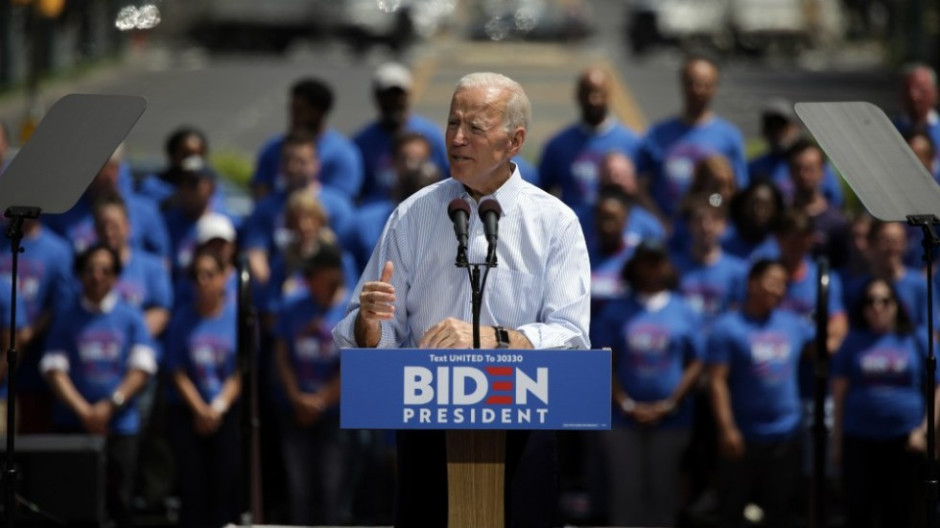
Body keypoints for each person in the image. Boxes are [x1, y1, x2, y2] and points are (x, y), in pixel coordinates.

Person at [332, 71, 591, 527]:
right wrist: (369, 326)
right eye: (453, 123)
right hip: (426, 428)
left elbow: (572, 337)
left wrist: (498, 339)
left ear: (515, 141)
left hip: (523, 428)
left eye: (475, 127)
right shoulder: (413, 215)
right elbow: (366, 331)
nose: (456, 137)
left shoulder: (556, 222)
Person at [40, 243, 158, 526]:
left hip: (120, 426)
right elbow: (54, 368)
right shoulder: (67, 317)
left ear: (116, 276)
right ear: (80, 274)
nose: (97, 276)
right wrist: (85, 412)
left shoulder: (131, 317)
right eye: (91, 269)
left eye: (105, 270)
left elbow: (142, 368)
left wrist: (110, 405)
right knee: (73, 505)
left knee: (120, 503)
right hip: (73, 425)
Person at [593, 242, 704, 527]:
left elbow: (696, 361)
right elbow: (603, 361)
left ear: (667, 266)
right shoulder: (617, 310)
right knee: (625, 496)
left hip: (671, 420)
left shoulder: (684, 310)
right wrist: (625, 403)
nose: (653, 269)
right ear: (635, 266)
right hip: (621, 420)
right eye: (646, 262)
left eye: (658, 262)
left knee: (664, 498)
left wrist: (670, 403)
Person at [706, 259, 814, 528]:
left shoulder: (793, 325)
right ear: (752, 283)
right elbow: (716, 381)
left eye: (783, 285)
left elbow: (826, 341)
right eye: (772, 282)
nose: (778, 290)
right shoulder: (727, 328)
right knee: (732, 512)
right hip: (742, 437)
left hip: (785, 437)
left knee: (780, 513)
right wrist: (727, 428)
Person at [832, 277, 935, 528]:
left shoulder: (916, 338)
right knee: (859, 512)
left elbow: (937, 388)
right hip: (860, 439)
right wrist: (836, 442)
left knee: (900, 513)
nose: (878, 307)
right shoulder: (852, 341)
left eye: (885, 300)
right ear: (862, 307)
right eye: (870, 301)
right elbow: (839, 394)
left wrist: (924, 431)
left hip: (906, 439)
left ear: (897, 304)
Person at [164, 245, 241, 528]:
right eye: (197, 275)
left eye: (209, 274)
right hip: (188, 413)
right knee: (192, 488)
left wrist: (217, 407)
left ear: (223, 277)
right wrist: (200, 409)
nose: (202, 281)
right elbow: (176, 369)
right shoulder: (182, 319)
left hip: (226, 412)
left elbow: (242, 371)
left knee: (225, 486)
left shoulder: (238, 317)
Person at [274, 244, 349, 525]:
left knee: (331, 491)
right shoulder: (293, 305)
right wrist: (296, 397)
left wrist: (322, 399)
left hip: (334, 414)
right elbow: (281, 355)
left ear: (331, 275)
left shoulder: (351, 309)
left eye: (314, 273)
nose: (308, 279)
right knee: (298, 490)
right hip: (295, 410)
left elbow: (354, 364)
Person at [636, 55, 747, 223]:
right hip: (667, 232)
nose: (698, 90)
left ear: (715, 88)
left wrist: (712, 207)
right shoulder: (657, 134)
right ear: (682, 85)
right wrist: (660, 222)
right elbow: (641, 188)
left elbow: (737, 192)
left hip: (708, 231)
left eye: (705, 85)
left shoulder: (729, 136)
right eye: (692, 83)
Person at [242, 130, 355, 286]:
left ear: (316, 164)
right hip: (283, 288)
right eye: (288, 160)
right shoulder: (266, 208)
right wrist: (275, 293)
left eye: (300, 161)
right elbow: (255, 254)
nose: (293, 167)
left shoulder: (339, 206)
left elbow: (348, 254)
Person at [539, 67, 642, 211]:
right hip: (572, 228)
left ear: (609, 95)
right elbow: (540, 194)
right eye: (587, 92)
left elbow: (643, 194)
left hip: (615, 229)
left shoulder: (632, 143)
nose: (592, 100)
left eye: (598, 93)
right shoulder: (558, 145)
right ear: (578, 96)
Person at [44, 147, 171, 260]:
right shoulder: (63, 210)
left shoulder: (145, 211)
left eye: (97, 169)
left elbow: (161, 260)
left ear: (115, 170)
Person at [353, 62, 449, 204]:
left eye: (398, 95)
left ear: (409, 95)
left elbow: (448, 178)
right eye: (387, 96)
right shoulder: (362, 142)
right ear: (377, 96)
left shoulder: (432, 134)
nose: (393, 102)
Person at [252, 78, 362, 200]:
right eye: (291, 109)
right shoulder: (272, 147)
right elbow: (260, 191)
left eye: (300, 111)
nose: (293, 117)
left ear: (319, 112)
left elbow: (342, 201)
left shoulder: (343, 153)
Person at [746, 99, 843, 206]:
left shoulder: (813, 161)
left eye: (782, 125)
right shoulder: (755, 167)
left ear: (796, 126)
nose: (777, 131)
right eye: (771, 125)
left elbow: (835, 201)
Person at [893, 64, 939, 168]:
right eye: (907, 89)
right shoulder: (890, 130)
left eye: (920, 89)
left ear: (935, 93)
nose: (913, 95)